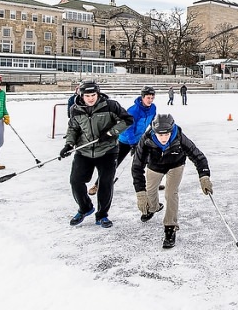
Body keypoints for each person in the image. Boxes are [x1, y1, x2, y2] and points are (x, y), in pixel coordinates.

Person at [130, 113, 212, 249]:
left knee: (171, 193)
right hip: (155, 166)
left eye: (166, 134)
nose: (164, 138)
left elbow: (198, 156)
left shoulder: (179, 136)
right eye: (160, 135)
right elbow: (137, 166)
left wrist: (204, 176)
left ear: (171, 130)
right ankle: (153, 208)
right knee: (149, 193)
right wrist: (140, 193)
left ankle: (170, 227)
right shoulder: (146, 139)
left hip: (176, 165)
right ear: (154, 131)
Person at [59, 81, 134, 228]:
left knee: (105, 183)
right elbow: (73, 128)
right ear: (81, 95)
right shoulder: (75, 109)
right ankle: (85, 207)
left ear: (98, 94)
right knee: (76, 181)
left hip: (107, 150)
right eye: (87, 95)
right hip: (84, 151)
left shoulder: (111, 106)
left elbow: (127, 120)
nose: (91, 98)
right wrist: (68, 144)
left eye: (93, 95)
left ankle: (102, 215)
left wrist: (111, 133)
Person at [90, 85, 156, 196]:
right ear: (142, 97)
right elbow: (128, 128)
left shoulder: (153, 108)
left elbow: (152, 121)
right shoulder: (134, 110)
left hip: (140, 139)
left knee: (149, 160)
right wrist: (132, 144)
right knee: (114, 163)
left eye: (152, 98)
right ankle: (97, 184)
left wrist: (152, 131)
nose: (150, 100)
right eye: (148, 97)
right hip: (125, 140)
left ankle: (153, 182)